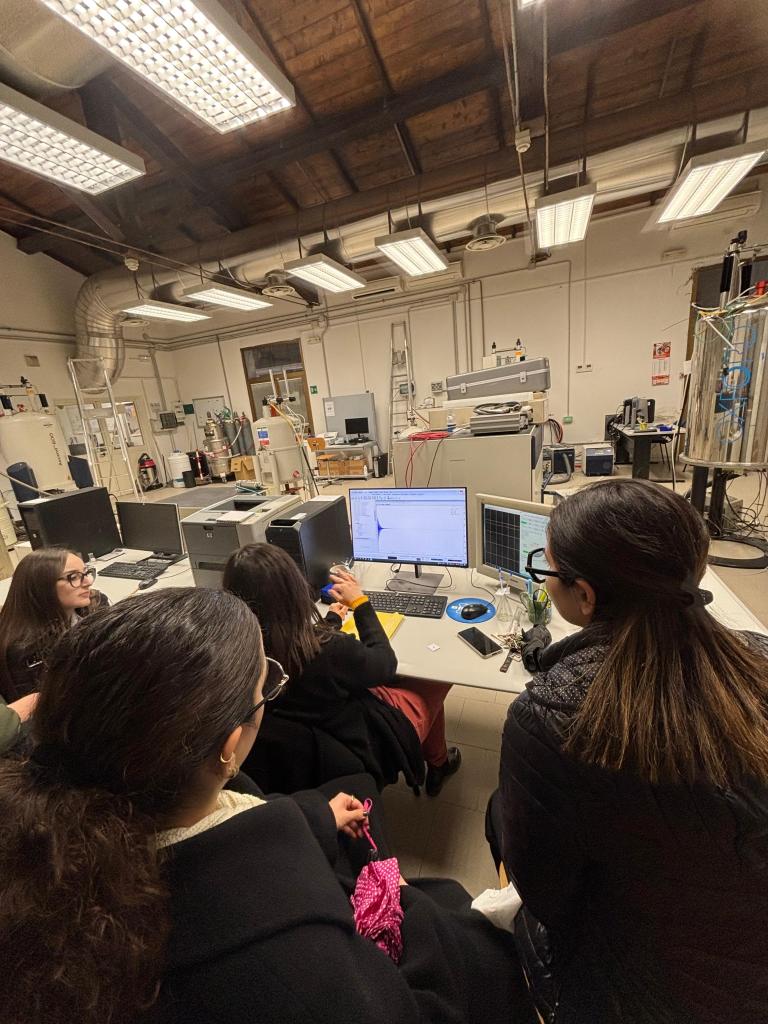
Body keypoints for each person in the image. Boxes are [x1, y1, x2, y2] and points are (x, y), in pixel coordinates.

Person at [0, 587, 535, 1024]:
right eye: (266, 683)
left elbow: (240, 820)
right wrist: (414, 914)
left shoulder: (46, 844)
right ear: (229, 746)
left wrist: (315, 816)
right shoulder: (292, 960)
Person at [491, 479, 768, 1024]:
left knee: (497, 810)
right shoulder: (758, 657)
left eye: (548, 569)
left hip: (631, 990)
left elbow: (548, 898)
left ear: (585, 596)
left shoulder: (547, 721)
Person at [223, 543, 460, 795]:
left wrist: (332, 621)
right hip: (362, 743)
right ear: (293, 590)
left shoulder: (235, 654)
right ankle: (438, 763)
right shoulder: (329, 651)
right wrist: (360, 602)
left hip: (307, 756)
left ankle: (439, 762)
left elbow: (294, 640)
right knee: (437, 676)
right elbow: (385, 665)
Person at [0, 548, 108, 702]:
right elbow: (46, 705)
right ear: (42, 587)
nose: (88, 582)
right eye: (73, 577)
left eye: (86, 573)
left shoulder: (93, 605)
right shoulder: (25, 652)